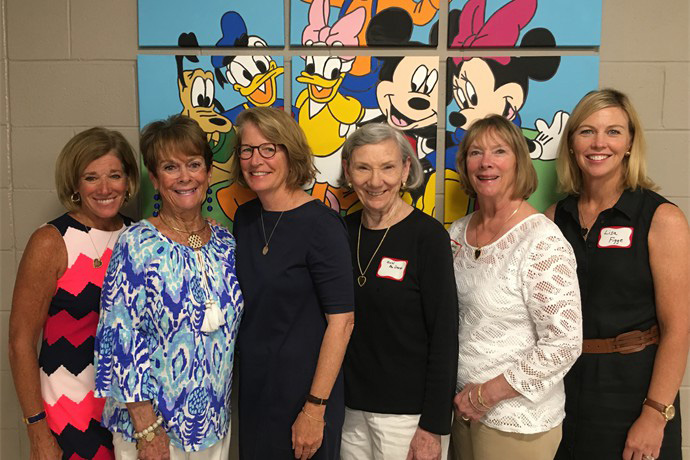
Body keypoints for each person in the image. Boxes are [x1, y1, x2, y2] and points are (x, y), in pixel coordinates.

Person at [546, 89, 689, 460]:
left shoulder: (661, 219)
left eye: (613, 132)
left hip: (634, 392)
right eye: (587, 131)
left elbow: (679, 329)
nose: (599, 143)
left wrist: (655, 414)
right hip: (563, 392)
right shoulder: (552, 219)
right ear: (572, 143)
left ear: (629, 144)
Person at [93, 115, 243, 460]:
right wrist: (147, 430)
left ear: (207, 171)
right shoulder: (137, 244)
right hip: (152, 430)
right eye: (170, 167)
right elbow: (120, 340)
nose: (185, 176)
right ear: (155, 179)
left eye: (194, 164)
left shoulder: (225, 242)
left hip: (212, 422)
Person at [449, 114, 582, 460]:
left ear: (519, 162)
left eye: (499, 151)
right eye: (475, 153)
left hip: (517, 421)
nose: (486, 162)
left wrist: (488, 394)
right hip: (461, 410)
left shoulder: (541, 240)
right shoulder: (456, 234)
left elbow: (564, 343)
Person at [231, 107, 355, 460]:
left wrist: (314, 409)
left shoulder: (322, 225)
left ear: (291, 153)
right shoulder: (246, 218)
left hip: (306, 396)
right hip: (256, 391)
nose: (256, 160)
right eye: (247, 150)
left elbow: (342, 323)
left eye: (269, 148)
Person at [9, 128, 139, 459]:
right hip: (68, 414)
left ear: (129, 181)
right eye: (91, 177)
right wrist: (37, 430)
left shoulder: (140, 238)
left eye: (115, 175)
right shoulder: (52, 241)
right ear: (75, 184)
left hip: (131, 416)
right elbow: (20, 342)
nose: (106, 188)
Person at [339, 123, 459, 460]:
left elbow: (445, 336)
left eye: (387, 167)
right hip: (349, 410)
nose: (375, 181)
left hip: (409, 419)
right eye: (363, 167)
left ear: (406, 169)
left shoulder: (428, 237)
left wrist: (433, 427)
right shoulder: (341, 233)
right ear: (348, 171)